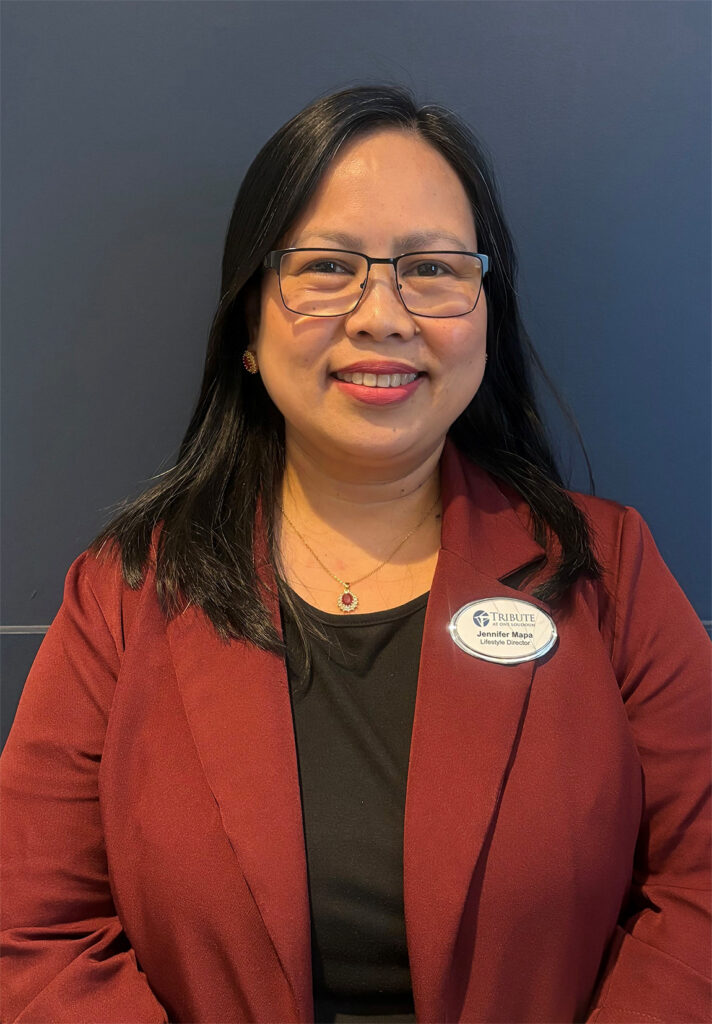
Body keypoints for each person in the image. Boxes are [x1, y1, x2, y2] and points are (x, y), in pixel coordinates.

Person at [1, 83, 710, 1024]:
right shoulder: (124, 595)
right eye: (328, 267)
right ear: (249, 325)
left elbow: (701, 893)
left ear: (486, 315)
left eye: (433, 269)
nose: (382, 315)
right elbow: (36, 930)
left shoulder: (607, 570)